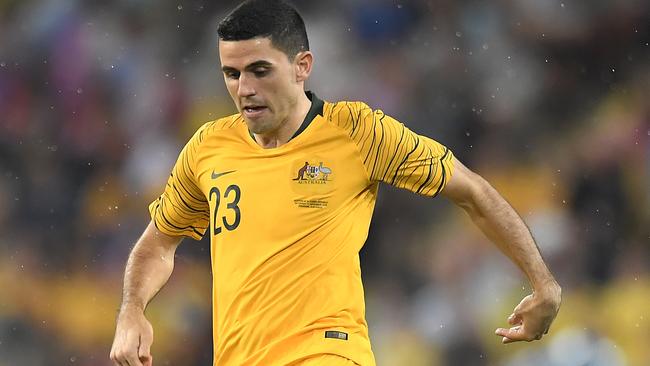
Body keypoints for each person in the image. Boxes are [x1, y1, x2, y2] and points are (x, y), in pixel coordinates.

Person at [109, 0, 562, 365]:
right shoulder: (210, 147)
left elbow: (474, 194)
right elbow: (158, 244)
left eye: (259, 70)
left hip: (328, 352)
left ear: (302, 65)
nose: (244, 87)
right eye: (232, 73)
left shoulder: (357, 131)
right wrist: (132, 310)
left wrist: (544, 285)